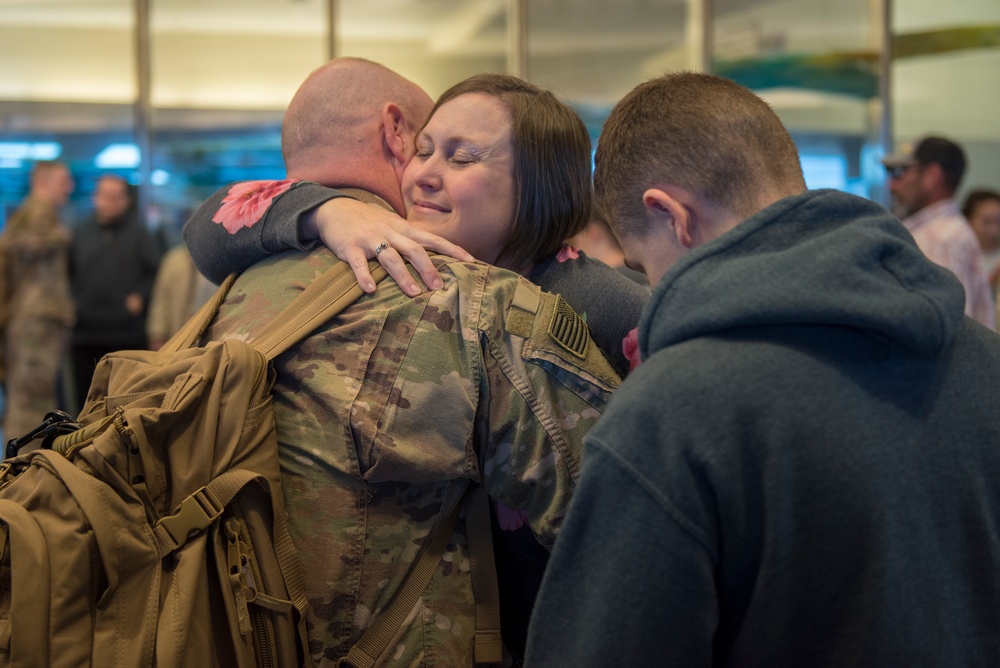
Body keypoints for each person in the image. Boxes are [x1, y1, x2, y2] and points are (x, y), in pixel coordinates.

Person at [523, 72, 1000, 667]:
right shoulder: (982, 357)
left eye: (643, 265)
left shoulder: (672, 413)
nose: (650, 288)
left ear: (672, 216)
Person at [183, 70, 650, 662]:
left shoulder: (601, 306)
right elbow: (210, 225)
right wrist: (327, 212)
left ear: (537, 186)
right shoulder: (419, 277)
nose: (425, 172)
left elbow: (640, 517)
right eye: (424, 149)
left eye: (463, 157)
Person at [883, 135, 995, 330]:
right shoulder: (940, 232)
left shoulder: (940, 238)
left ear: (932, 176)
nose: (893, 185)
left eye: (902, 172)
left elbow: (946, 332)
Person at [68, 174, 161, 409]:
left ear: (126, 200)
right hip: (85, 334)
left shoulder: (139, 233)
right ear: (96, 197)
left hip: (127, 334)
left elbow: (155, 272)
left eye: (116, 196)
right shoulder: (79, 232)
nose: (111, 201)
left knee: (126, 403)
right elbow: (66, 274)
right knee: (85, 404)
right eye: (106, 196)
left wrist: (140, 295)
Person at [0, 160, 76, 440]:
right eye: (62, 180)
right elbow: (20, 246)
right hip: (35, 324)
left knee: (35, 399)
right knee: (30, 404)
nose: (69, 187)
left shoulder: (37, 214)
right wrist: (59, 237)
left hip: (36, 322)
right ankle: (21, 473)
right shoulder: (36, 214)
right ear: (42, 182)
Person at [145, 243, 215, 350]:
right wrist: (157, 333)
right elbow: (161, 298)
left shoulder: (218, 261)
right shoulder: (173, 260)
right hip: (177, 332)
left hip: (208, 338)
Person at [962, 188, 1000, 293]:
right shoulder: (960, 255)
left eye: (998, 222)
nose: (993, 230)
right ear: (968, 219)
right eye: (986, 222)